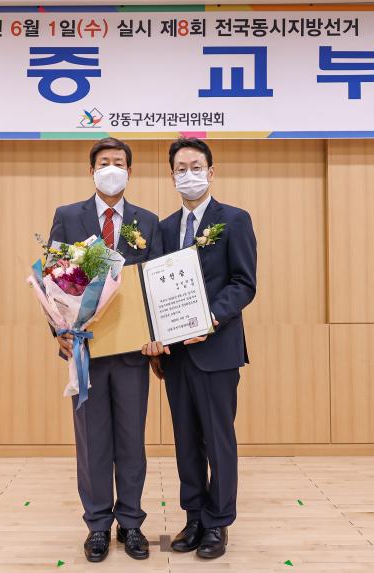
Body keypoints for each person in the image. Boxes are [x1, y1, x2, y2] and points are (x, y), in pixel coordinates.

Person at [48, 137, 162, 562]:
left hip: (133, 351)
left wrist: (158, 335)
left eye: (118, 162)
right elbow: (53, 279)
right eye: (104, 162)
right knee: (92, 440)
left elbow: (156, 284)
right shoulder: (67, 216)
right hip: (86, 350)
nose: (111, 168)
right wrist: (58, 329)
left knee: (131, 439)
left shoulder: (148, 221)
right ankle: (97, 524)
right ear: (91, 170)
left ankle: (130, 522)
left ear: (129, 171)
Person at [143, 137, 257, 560]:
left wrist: (210, 319)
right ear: (171, 175)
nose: (188, 174)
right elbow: (154, 289)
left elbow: (244, 283)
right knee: (186, 439)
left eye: (195, 167)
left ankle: (218, 521)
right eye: (180, 168)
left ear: (211, 172)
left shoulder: (235, 220)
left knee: (218, 438)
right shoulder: (163, 228)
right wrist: (155, 339)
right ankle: (193, 517)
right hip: (176, 354)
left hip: (218, 349)